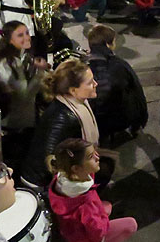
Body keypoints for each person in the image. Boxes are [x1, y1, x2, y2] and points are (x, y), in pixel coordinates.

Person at [47, 138, 137, 242]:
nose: (97, 156)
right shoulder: (86, 202)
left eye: (95, 152)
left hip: (69, 230)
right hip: (84, 238)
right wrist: (103, 218)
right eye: (91, 156)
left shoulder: (61, 178)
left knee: (107, 206)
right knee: (131, 225)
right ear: (76, 168)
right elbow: (98, 233)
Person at [23, 59, 110, 189]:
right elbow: (49, 161)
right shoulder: (62, 117)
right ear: (73, 90)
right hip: (42, 184)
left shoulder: (75, 103)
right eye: (90, 82)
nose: (96, 84)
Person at [0, 21, 47, 171]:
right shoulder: (7, 64)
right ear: (9, 40)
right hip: (14, 127)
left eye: (27, 33)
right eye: (20, 35)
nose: (26, 37)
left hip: (22, 122)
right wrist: (40, 72)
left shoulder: (21, 57)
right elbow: (24, 95)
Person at [86, 25, 148, 139]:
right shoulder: (119, 66)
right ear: (107, 44)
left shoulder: (82, 66)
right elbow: (138, 92)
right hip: (118, 120)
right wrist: (141, 120)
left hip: (91, 121)